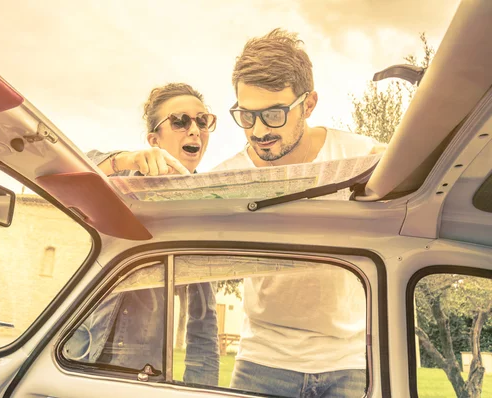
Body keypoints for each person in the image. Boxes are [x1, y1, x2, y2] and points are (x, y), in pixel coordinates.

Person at [213, 29, 381, 397]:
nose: (258, 131)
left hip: (349, 361)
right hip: (262, 358)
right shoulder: (227, 179)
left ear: (308, 104)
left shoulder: (360, 155)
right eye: (246, 115)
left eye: (273, 114)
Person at [64, 83, 220, 385]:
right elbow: (66, 164)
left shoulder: (205, 208)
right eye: (179, 121)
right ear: (153, 139)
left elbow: (203, 318)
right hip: (77, 357)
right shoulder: (120, 179)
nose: (194, 130)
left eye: (203, 121)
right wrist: (125, 159)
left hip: (140, 373)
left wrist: (203, 386)